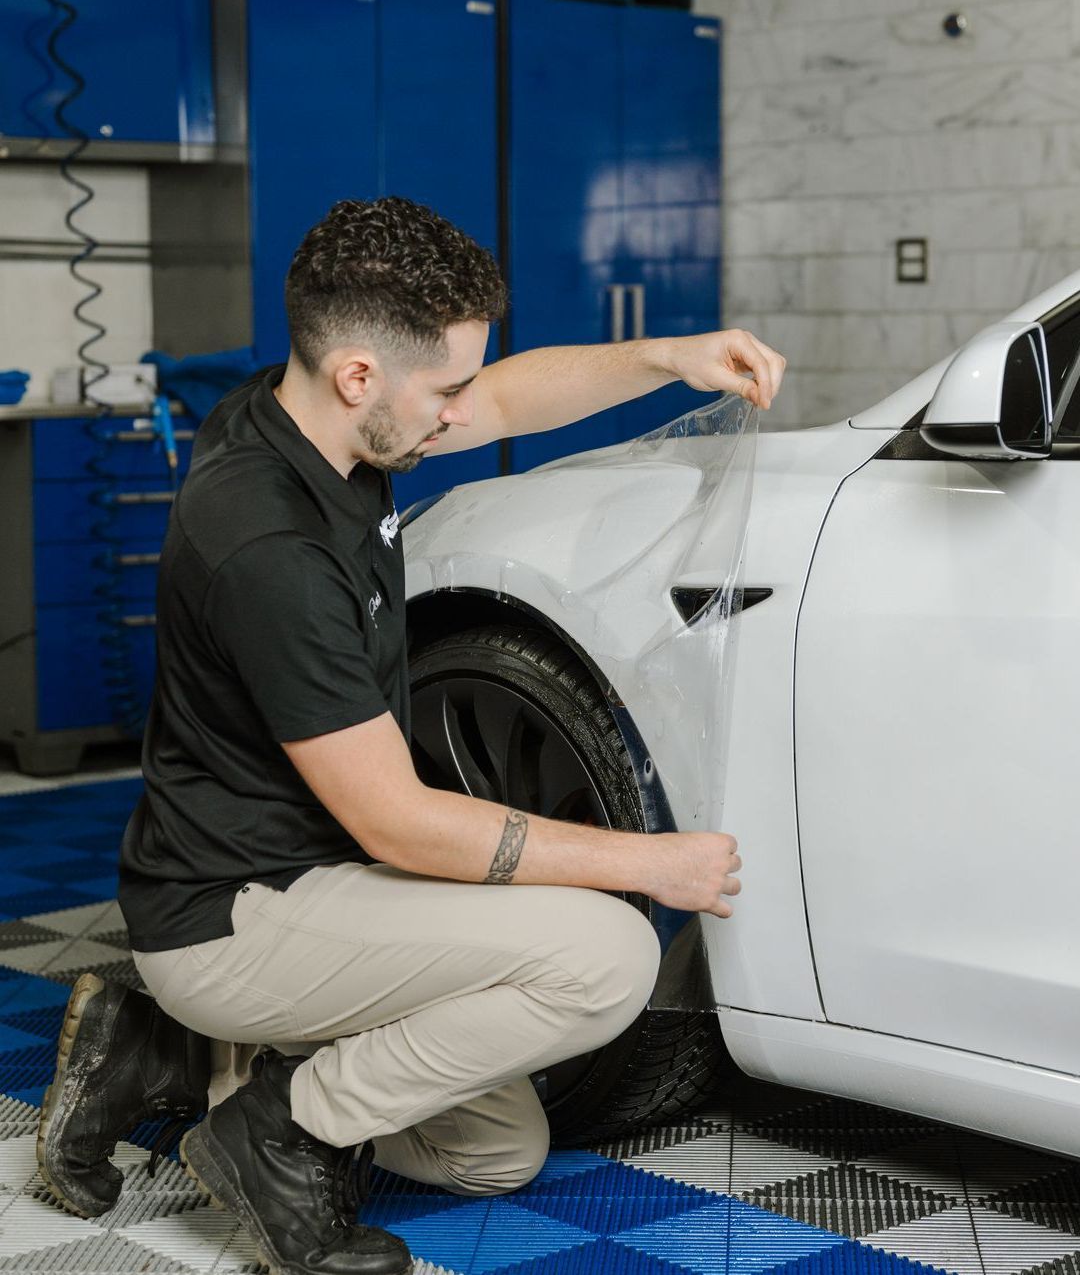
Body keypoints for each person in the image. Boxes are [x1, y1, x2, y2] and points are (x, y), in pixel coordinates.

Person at [36, 197, 783, 1275]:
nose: (458, 414)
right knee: (607, 955)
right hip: (236, 911)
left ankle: (167, 1052)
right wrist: (651, 864)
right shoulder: (268, 544)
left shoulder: (321, 415)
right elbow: (401, 822)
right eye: (442, 392)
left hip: (315, 880)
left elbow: (509, 392)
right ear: (357, 375)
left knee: (493, 1154)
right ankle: (272, 1126)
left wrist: (671, 354)